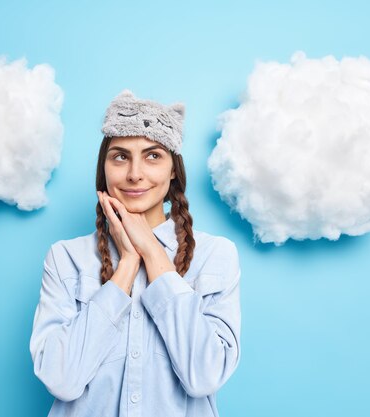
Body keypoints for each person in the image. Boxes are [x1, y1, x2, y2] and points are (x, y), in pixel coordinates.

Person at [29, 89, 241, 416]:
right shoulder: (65, 258)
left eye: (153, 156)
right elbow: (62, 380)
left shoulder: (216, 255)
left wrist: (152, 253)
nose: (134, 174)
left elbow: (204, 376)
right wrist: (127, 263)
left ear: (173, 170)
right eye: (120, 156)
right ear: (104, 169)